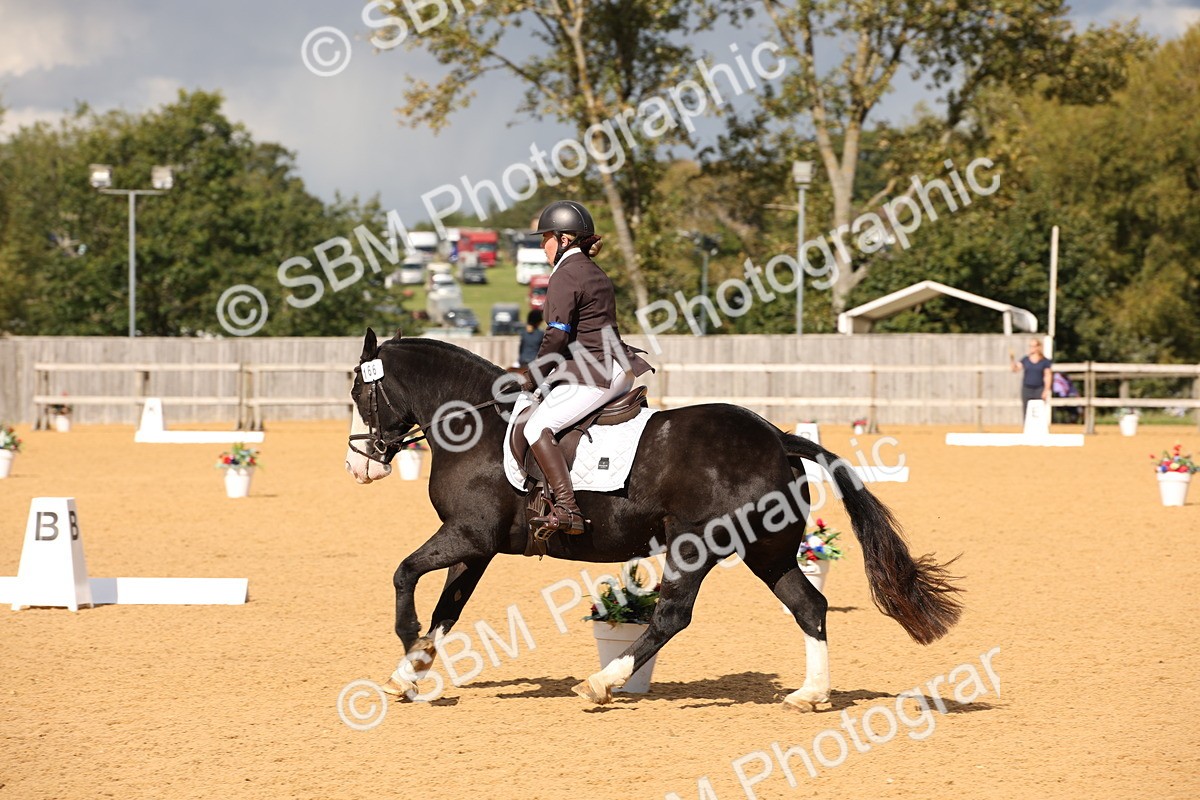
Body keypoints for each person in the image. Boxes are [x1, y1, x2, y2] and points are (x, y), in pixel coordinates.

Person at [518, 200, 653, 535]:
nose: (542, 244)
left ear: (564, 239)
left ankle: (567, 508)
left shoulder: (565, 274)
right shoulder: (593, 271)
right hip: (618, 367)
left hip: (596, 372)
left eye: (546, 237)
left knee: (536, 427)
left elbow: (557, 335)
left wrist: (532, 377)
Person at [1010, 338, 1052, 421]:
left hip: (1039, 388)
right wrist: (1012, 360)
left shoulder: (1045, 361)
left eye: (1034, 346)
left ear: (1038, 347)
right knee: (1026, 410)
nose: (1032, 348)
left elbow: (1048, 375)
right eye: (1031, 346)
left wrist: (1046, 390)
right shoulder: (1025, 359)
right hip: (1027, 388)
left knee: (1039, 410)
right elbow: (1015, 369)